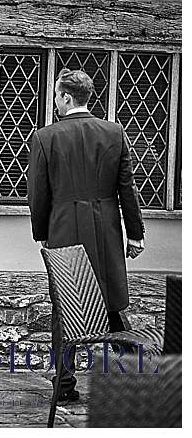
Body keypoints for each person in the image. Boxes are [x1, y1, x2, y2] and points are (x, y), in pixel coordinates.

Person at [28, 69, 145, 403]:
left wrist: (41, 233)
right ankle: (131, 385)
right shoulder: (114, 132)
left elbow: (38, 194)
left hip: (63, 229)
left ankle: (64, 385)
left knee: (66, 309)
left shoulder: (45, 137)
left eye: (55, 96)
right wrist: (134, 234)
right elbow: (127, 189)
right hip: (106, 229)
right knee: (114, 306)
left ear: (66, 97)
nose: (54, 101)